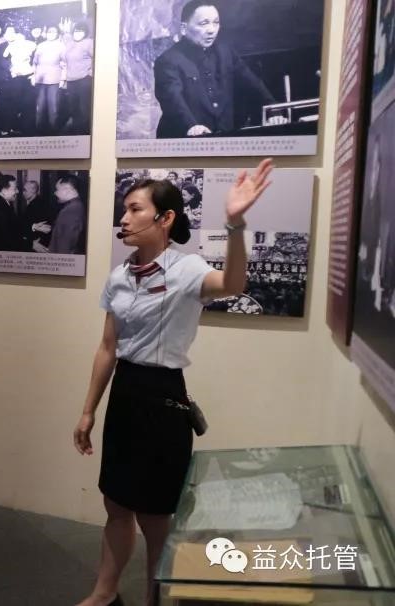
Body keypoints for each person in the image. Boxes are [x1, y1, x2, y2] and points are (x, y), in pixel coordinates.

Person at [73, 159, 274, 606]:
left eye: (135, 209)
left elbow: (232, 283)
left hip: (163, 399)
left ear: (165, 218)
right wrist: (88, 410)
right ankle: (104, 593)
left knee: (156, 515)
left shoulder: (186, 270)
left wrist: (235, 224)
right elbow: (107, 347)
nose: (125, 218)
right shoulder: (119, 277)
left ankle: (157, 599)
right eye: (124, 209)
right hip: (125, 394)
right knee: (116, 505)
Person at [154, 1, 288, 138]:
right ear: (183, 28)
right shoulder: (168, 61)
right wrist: (191, 126)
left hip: (224, 137)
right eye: (204, 23)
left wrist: (274, 112)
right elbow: (172, 99)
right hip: (184, 140)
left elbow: (252, 84)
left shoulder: (225, 52)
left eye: (216, 22)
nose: (211, 30)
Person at [30, 25, 67, 135]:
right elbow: (34, 63)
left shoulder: (61, 46)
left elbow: (65, 64)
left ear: (57, 34)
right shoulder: (41, 46)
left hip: (54, 81)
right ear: (46, 34)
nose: (51, 34)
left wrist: (63, 79)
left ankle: (53, 132)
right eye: (49, 32)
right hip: (40, 80)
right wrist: (33, 76)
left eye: (54, 32)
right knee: (40, 107)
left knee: (53, 108)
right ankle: (38, 131)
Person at [63, 21, 94, 134]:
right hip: (71, 80)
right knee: (73, 107)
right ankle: (76, 131)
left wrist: (90, 73)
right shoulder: (70, 43)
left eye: (81, 31)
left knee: (84, 108)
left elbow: (97, 58)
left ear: (85, 33)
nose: (78, 33)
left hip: (84, 80)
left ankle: (85, 132)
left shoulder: (89, 42)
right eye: (76, 31)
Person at [47, 175, 87, 255]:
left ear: (67, 190)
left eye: (57, 189)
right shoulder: (77, 206)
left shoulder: (70, 211)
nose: (55, 193)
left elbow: (64, 246)